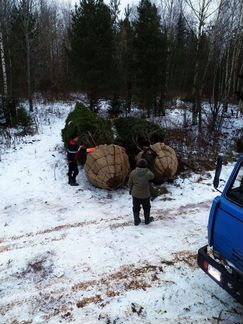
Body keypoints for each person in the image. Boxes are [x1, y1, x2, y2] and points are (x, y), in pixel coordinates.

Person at [128, 158, 155, 225]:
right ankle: (147, 220)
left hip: (135, 194)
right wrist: (147, 169)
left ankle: (136, 220)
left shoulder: (133, 172)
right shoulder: (148, 173)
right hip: (145, 195)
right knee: (146, 207)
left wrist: (130, 190)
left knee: (136, 208)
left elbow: (129, 183)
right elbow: (153, 176)